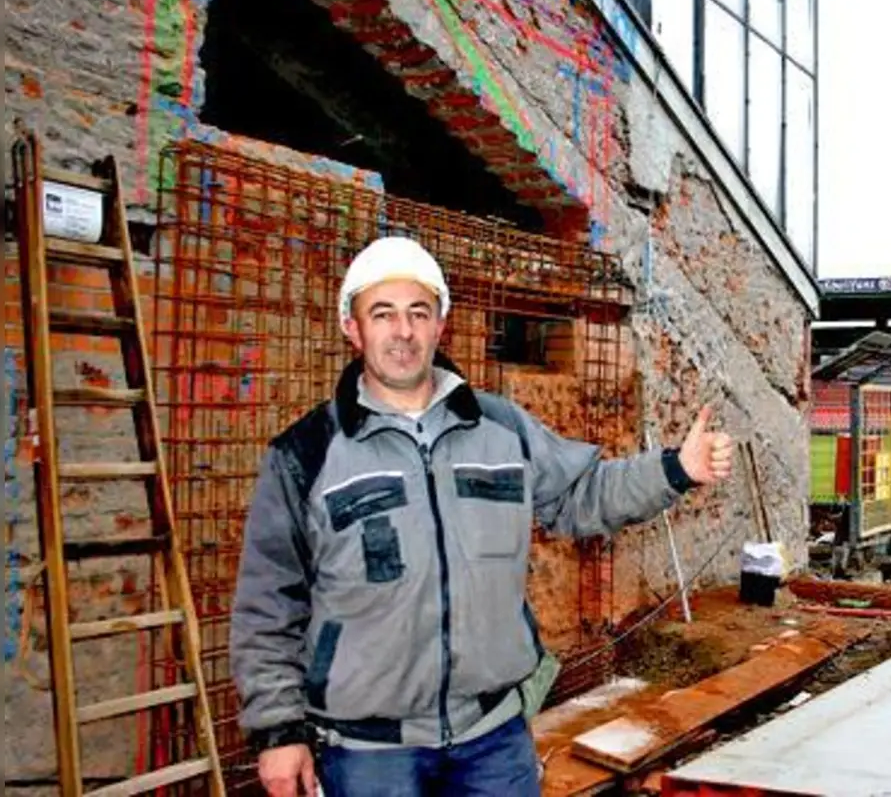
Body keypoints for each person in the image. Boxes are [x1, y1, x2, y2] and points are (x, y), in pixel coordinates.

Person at [230, 236, 734, 797]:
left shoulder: (498, 429)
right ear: (353, 328)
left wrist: (676, 469)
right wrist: (278, 731)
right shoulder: (305, 454)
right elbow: (267, 605)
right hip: (369, 755)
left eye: (419, 312)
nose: (403, 331)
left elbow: (583, 493)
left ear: (440, 324)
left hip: (492, 741)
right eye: (383, 313)